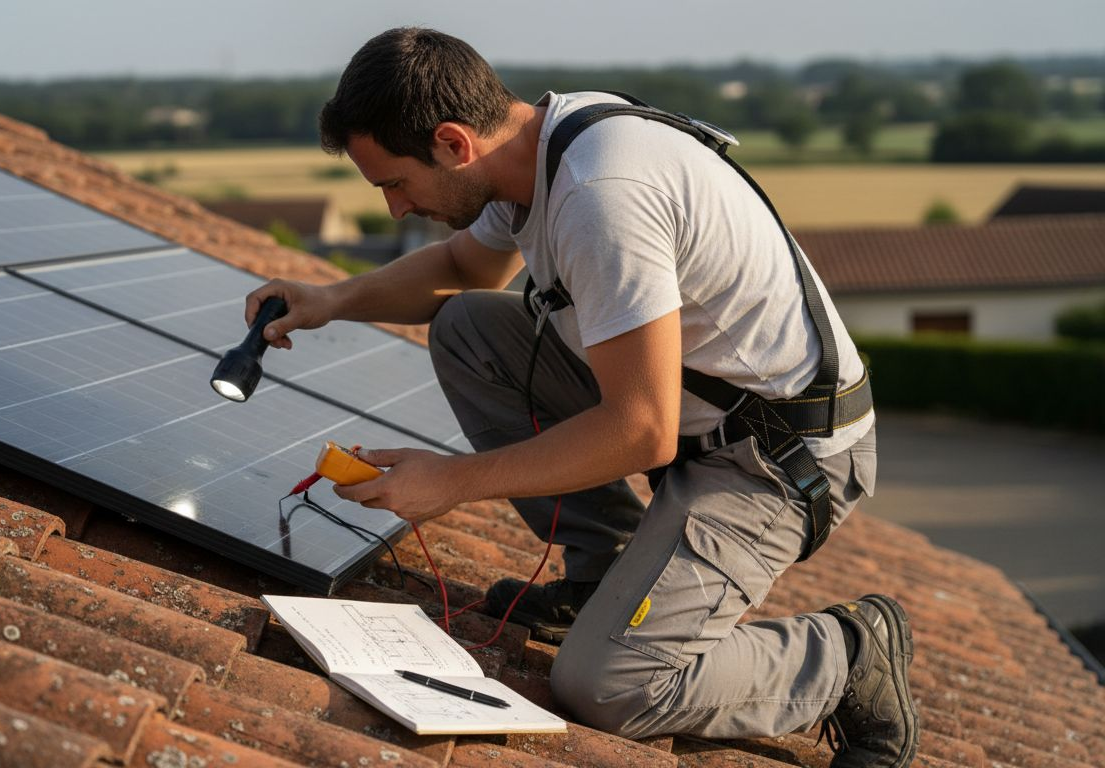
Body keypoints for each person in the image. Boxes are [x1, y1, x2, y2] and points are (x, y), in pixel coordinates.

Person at [243, 27, 916, 768]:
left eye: (395, 183)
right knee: (469, 326)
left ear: (452, 143)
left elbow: (642, 431)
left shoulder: (600, 196)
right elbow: (466, 266)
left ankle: (847, 655)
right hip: (700, 421)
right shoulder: (536, 148)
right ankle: (603, 571)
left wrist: (451, 482)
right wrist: (328, 300)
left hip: (773, 458)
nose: (397, 209)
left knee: (611, 687)